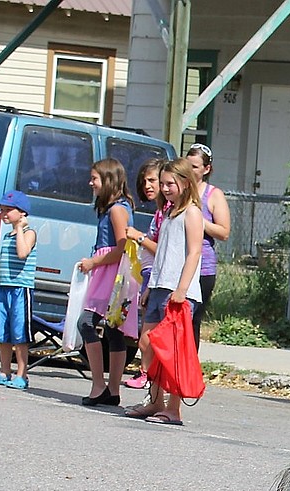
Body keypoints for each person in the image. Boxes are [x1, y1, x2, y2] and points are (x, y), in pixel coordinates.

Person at [123, 158, 204, 427]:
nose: (166, 188)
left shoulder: (191, 213)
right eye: (163, 183)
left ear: (184, 182)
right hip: (159, 287)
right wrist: (149, 287)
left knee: (172, 351)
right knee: (148, 344)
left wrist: (182, 289)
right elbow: (162, 256)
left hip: (178, 291)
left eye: (171, 184)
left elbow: (194, 253)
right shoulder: (169, 213)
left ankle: (173, 409)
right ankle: (156, 401)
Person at [76, 158, 136, 407]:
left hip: (112, 274)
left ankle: (100, 384)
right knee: (112, 329)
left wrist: (94, 262)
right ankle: (110, 389)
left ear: (108, 180)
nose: (91, 183)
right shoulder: (110, 208)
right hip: (108, 271)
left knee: (87, 322)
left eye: (95, 179)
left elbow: (122, 247)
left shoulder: (117, 210)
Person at [0, 190, 37, 390]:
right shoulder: (6, 236)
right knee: (3, 332)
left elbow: (22, 253)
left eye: (8, 210)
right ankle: (5, 371)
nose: (3, 213)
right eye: (2, 209)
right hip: (4, 287)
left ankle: (22, 374)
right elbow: (4, 261)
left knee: (19, 333)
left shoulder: (29, 233)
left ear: (22, 213)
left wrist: (20, 229)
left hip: (21, 289)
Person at [122, 158, 166, 390]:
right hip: (149, 275)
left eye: (152, 180)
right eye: (144, 181)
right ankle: (148, 374)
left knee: (148, 335)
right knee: (146, 333)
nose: (148, 185)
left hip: (158, 277)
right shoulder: (158, 212)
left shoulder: (167, 213)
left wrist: (139, 237)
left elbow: (163, 251)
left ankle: (148, 375)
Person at [185, 143, 230, 347]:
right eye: (187, 165)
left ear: (206, 169)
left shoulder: (213, 194)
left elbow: (224, 232)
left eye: (195, 167)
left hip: (202, 267)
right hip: (177, 263)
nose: (190, 170)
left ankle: (189, 371)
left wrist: (199, 221)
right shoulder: (177, 189)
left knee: (191, 320)